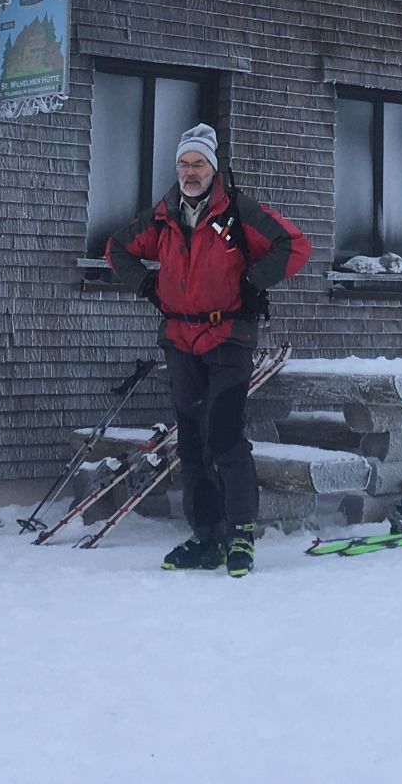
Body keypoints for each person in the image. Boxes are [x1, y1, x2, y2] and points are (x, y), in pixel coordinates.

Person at [102, 123, 308, 575]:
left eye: (198, 164)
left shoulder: (237, 212)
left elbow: (295, 245)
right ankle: (206, 537)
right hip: (180, 342)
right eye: (184, 164)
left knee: (224, 437)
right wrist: (147, 285)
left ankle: (241, 535)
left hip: (228, 338)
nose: (190, 172)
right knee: (192, 443)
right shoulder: (164, 216)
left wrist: (252, 282)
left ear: (213, 169)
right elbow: (116, 248)